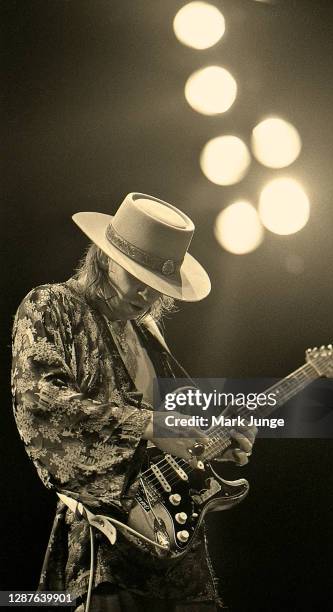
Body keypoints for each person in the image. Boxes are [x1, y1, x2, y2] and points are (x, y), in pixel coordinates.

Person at [11, 193, 256, 611]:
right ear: (105, 259)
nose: (145, 293)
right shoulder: (52, 305)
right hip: (107, 544)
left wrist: (214, 442)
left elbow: (174, 438)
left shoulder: (147, 335)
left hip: (178, 556)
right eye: (136, 274)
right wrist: (146, 424)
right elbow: (39, 402)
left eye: (157, 284)